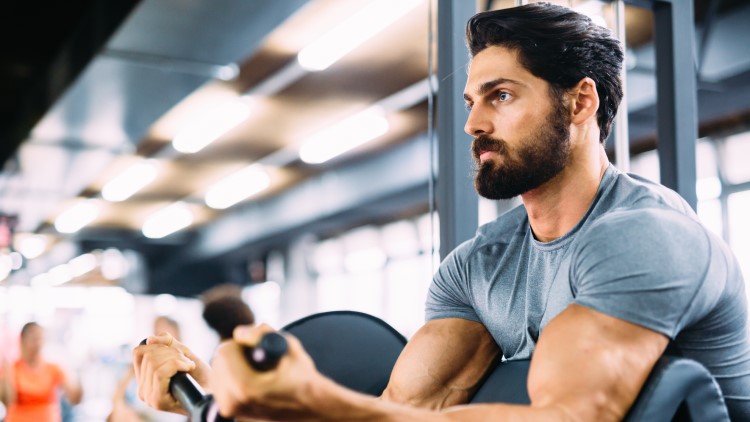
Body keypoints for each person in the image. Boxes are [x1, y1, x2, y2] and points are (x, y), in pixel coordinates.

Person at [132, 3, 750, 421]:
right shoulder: (479, 265)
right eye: (470, 101)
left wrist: (312, 397)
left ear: (580, 101)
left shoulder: (644, 236)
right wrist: (218, 399)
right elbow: (410, 406)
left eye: (501, 96)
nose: (473, 123)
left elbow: (569, 417)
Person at [0, 322, 83, 422]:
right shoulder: (12, 369)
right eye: (34, 339)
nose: (38, 344)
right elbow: (6, 401)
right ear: (22, 340)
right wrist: (7, 372)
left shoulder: (53, 368)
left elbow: (74, 398)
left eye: (40, 338)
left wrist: (77, 375)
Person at [108, 316, 186, 422]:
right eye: (156, 332)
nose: (158, 338)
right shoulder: (145, 363)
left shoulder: (184, 366)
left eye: (165, 333)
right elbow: (117, 399)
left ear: (176, 335)